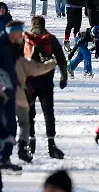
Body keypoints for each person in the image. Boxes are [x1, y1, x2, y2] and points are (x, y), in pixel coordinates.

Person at [25, 16, 69, 161]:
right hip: (46, 81)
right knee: (48, 112)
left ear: (32, 24)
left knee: (29, 112)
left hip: (29, 82)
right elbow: (61, 59)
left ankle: (30, 141)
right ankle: (51, 144)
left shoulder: (26, 39)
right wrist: (63, 77)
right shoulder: (50, 39)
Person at [0, 20, 24, 172]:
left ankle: (4, 157)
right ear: (12, 32)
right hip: (0, 92)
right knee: (5, 124)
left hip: (9, 91)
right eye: (20, 32)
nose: (21, 35)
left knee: (9, 125)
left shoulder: (10, 44)